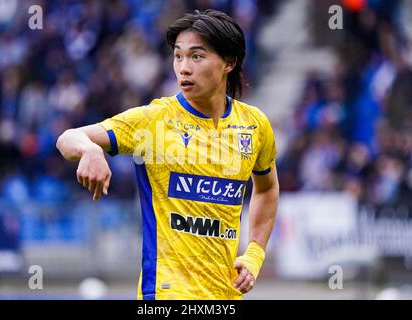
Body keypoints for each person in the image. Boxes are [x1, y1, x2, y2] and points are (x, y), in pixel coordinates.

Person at [56, 9, 279, 300]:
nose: (184, 68)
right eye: (178, 56)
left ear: (229, 62)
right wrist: (90, 149)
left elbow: (267, 188)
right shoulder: (155, 120)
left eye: (196, 56)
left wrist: (254, 256)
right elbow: (68, 137)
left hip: (226, 297)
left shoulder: (254, 125)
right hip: (164, 295)